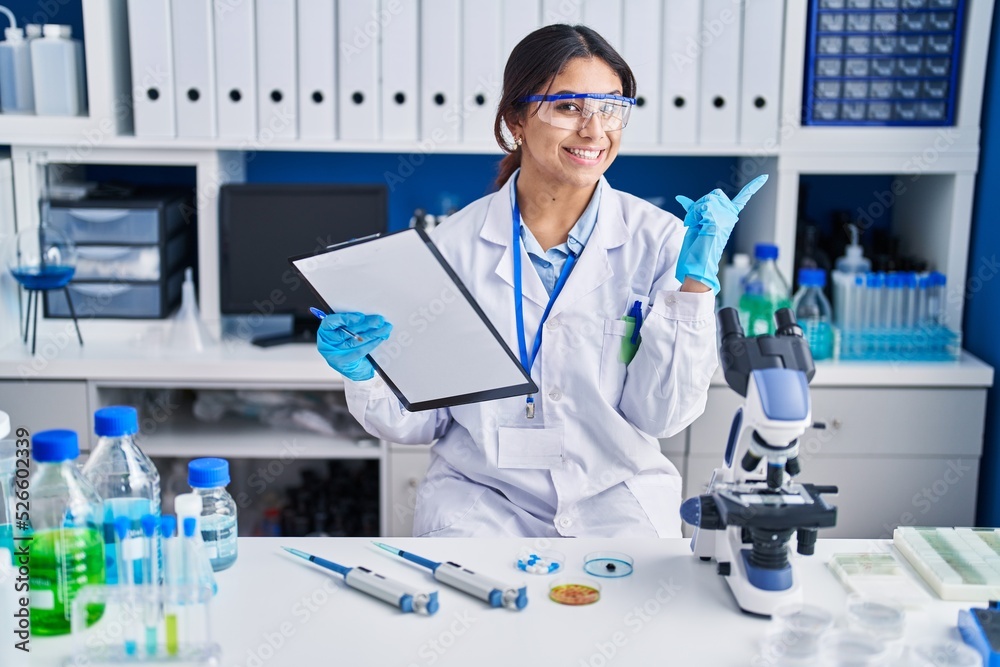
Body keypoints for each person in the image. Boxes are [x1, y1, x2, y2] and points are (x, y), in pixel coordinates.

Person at [316, 24, 767, 538]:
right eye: (569, 107)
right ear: (516, 120)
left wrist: (696, 289)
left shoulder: (663, 243)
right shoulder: (453, 247)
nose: (595, 131)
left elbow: (661, 417)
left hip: (614, 499)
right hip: (480, 500)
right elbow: (424, 424)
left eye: (612, 107)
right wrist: (364, 371)